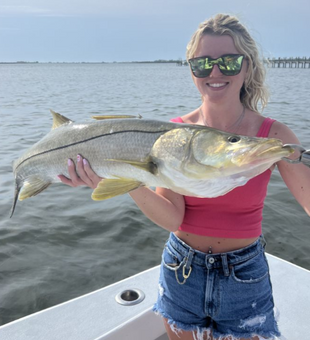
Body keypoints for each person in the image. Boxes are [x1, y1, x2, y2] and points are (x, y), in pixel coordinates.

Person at [58, 13, 310, 340]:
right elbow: (173, 217)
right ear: (192, 71)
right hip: (182, 269)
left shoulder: (271, 135)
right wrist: (117, 178)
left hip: (245, 275)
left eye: (229, 62)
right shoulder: (173, 134)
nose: (215, 72)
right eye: (203, 64)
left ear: (247, 67)